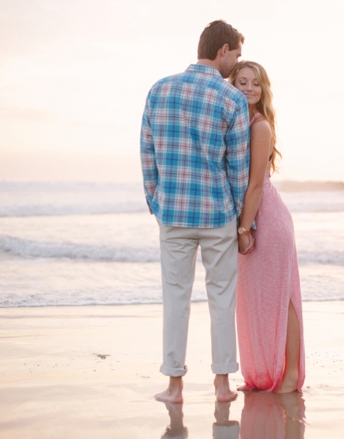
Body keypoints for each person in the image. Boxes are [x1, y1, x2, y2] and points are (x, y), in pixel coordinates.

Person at [140, 20, 250, 403]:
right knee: (222, 296)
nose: (237, 63)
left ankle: (174, 386)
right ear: (221, 50)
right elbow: (238, 167)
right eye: (236, 54)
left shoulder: (159, 90)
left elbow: (147, 155)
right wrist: (237, 217)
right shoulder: (230, 98)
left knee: (176, 297)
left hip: (173, 215)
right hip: (217, 214)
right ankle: (222, 384)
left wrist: (157, 203)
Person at [228, 61, 306, 393]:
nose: (249, 88)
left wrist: (245, 230)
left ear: (263, 91)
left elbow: (256, 185)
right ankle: (261, 375)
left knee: (281, 296)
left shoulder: (259, 127)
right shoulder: (233, 124)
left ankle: (289, 375)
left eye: (256, 84)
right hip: (249, 216)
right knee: (256, 298)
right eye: (242, 81)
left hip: (267, 221)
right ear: (232, 85)